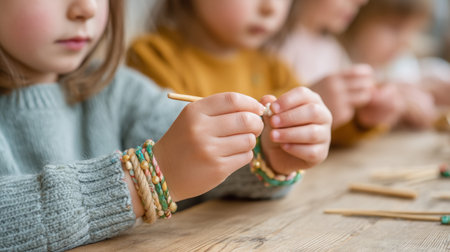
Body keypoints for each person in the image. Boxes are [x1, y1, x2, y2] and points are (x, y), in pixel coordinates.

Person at [0, 0, 331, 250]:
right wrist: (142, 180)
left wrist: (267, 153)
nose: (85, 8)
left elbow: (189, 151)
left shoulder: (117, 88)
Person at [278, 0, 405, 145]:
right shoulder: (273, 46)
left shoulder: (332, 50)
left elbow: (333, 130)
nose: (362, 2)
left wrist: (362, 117)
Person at [341, 0, 449, 129]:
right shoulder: (338, 61)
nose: (405, 41)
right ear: (355, 18)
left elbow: (420, 76)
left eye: (414, 30)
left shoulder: (398, 62)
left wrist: (429, 88)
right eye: (395, 28)